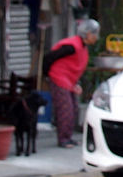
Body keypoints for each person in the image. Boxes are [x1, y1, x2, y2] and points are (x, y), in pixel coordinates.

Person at [40, 18, 99, 148]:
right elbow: (50, 57)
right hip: (59, 78)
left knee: (74, 108)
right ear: (88, 34)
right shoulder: (71, 46)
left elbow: (74, 66)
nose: (96, 37)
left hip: (69, 80)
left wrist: (75, 83)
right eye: (95, 34)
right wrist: (46, 75)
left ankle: (68, 136)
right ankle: (63, 139)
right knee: (65, 109)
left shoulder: (82, 47)